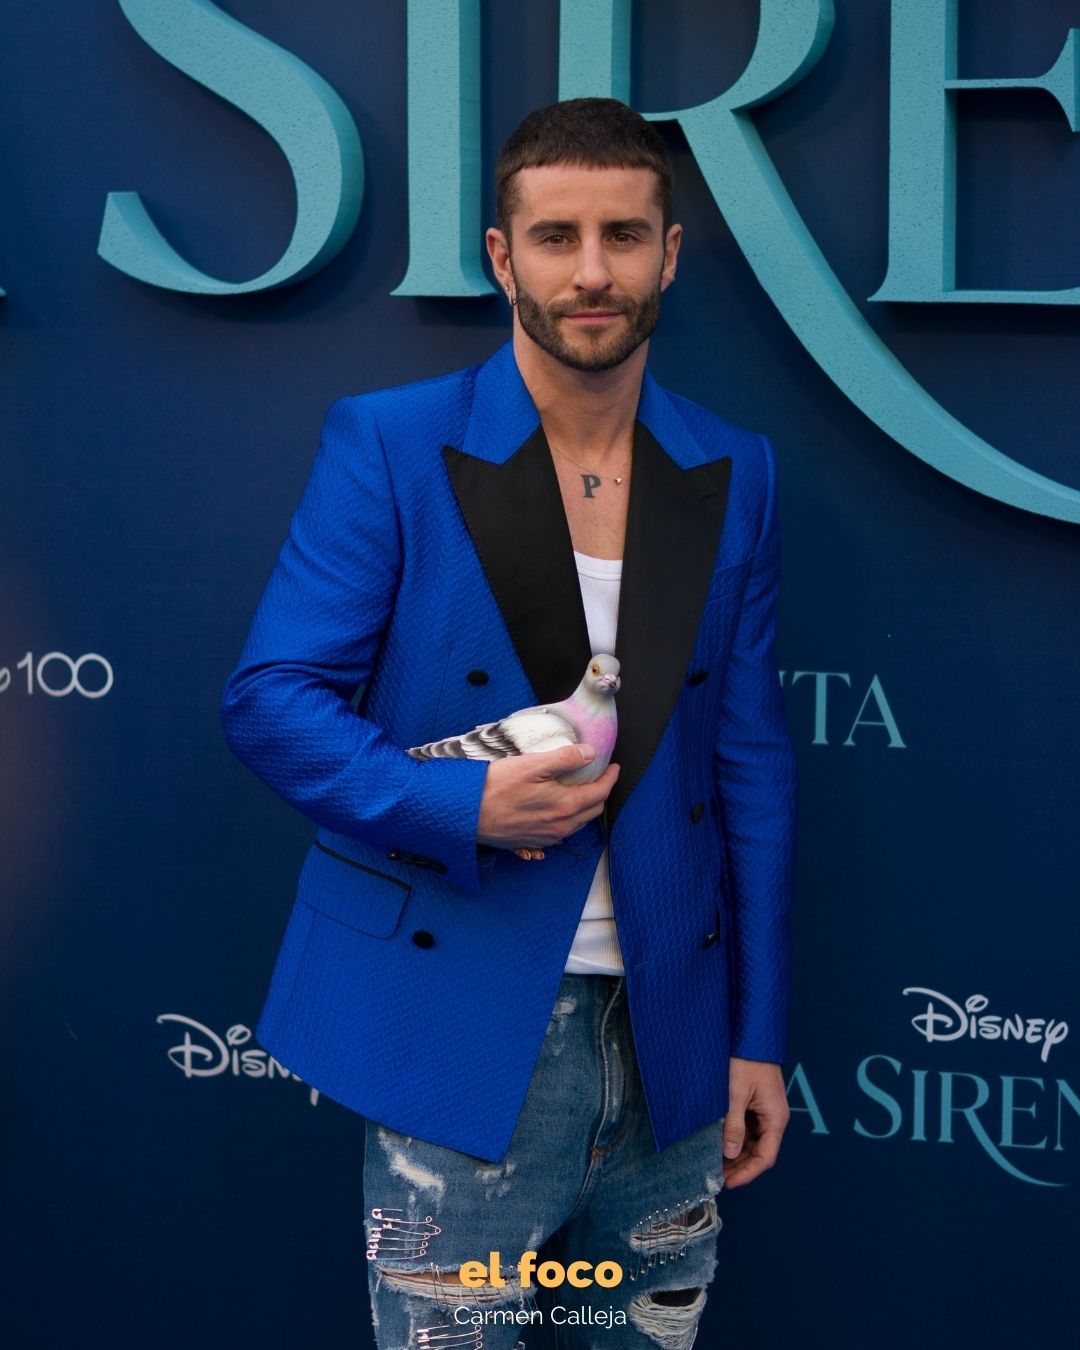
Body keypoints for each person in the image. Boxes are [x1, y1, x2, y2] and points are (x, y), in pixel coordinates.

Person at [222, 97, 797, 1350]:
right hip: (464, 1015)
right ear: (502, 255)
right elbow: (269, 701)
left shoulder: (734, 467)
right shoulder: (392, 441)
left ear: (669, 254)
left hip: (673, 1039)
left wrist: (755, 1033)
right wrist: (458, 803)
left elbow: (749, 762)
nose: (591, 272)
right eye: (556, 237)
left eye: (623, 235)